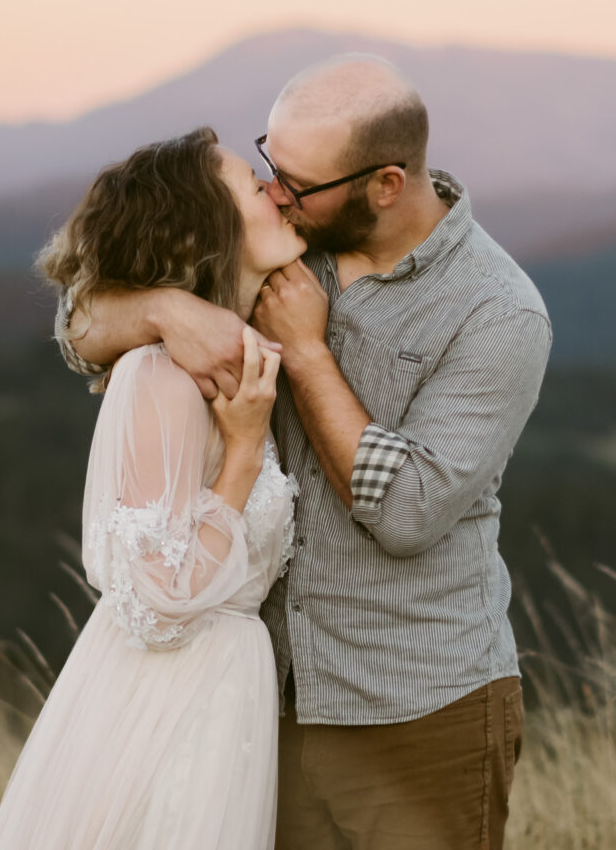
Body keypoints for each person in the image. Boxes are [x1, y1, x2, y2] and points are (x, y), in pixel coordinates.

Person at [60, 57, 552, 850]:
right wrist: (163, 307)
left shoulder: (497, 313)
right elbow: (79, 328)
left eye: (297, 182)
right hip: (261, 707)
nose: (277, 192)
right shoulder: (286, 244)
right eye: (269, 169)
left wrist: (309, 354)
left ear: (384, 184)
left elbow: (405, 513)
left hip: (414, 710)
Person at [0, 127, 305, 850]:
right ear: (206, 231)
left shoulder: (232, 360)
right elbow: (156, 598)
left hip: (224, 698)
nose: (277, 193)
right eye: (255, 188)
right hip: (166, 704)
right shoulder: (156, 377)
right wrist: (245, 452)